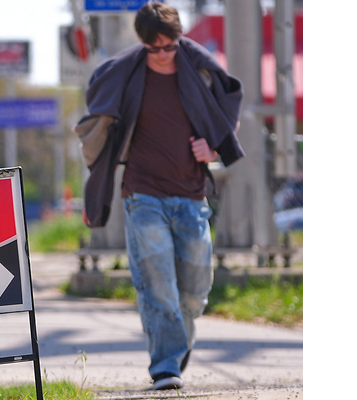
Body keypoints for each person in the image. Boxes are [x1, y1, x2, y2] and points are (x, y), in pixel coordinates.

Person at [76, 2, 246, 391]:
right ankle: (166, 366)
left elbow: (227, 106)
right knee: (157, 283)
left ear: (179, 39)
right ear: (142, 42)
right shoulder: (127, 72)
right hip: (143, 194)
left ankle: (176, 343)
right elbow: (98, 99)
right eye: (155, 49)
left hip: (191, 195)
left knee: (196, 289)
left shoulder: (199, 70)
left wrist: (214, 148)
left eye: (170, 46)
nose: (164, 56)